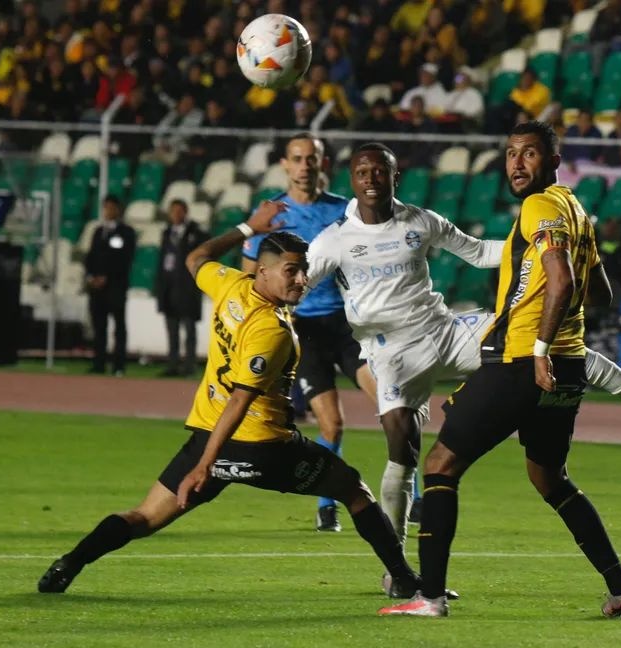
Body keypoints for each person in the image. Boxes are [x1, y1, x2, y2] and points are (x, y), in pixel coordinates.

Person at [301, 143, 621, 584]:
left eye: (380, 171)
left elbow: (478, 252)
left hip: (444, 330)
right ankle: (398, 571)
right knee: (401, 450)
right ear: (351, 180)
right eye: (362, 172)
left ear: (396, 178)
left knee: (527, 338)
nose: (371, 179)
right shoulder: (334, 239)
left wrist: (531, 248)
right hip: (391, 352)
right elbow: (298, 283)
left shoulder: (420, 220)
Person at [37, 216, 424, 599]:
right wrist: (206, 466)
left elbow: (196, 258)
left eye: (304, 271)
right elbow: (242, 400)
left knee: (144, 517)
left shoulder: (229, 285)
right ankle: (403, 578)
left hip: (208, 436)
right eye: (292, 271)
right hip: (262, 447)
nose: (302, 280)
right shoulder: (271, 330)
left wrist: (247, 228)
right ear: (263, 271)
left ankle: (71, 562)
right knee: (354, 490)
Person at [378, 121, 621, 619]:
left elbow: (563, 280)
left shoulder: (539, 207)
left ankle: (430, 596)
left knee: (440, 464)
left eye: (529, 154)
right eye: (510, 154)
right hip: (567, 366)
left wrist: (541, 344)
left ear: (553, 160)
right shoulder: (576, 210)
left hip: (527, 359)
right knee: (551, 480)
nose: (517, 163)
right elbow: (600, 293)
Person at [241, 132, 378, 533]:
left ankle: (417, 498)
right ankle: (326, 505)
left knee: (393, 405)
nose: (304, 166)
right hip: (305, 332)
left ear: (323, 164)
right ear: (285, 164)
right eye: (297, 158)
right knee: (332, 425)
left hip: (347, 326)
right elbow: (251, 281)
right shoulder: (271, 216)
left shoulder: (343, 211)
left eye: (311, 159)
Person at [84, 194, 136, 376]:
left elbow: (124, 259)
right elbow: (90, 256)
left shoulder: (126, 233)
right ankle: (98, 363)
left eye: (111, 207)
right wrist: (91, 276)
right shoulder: (98, 231)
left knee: (119, 327)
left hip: (115, 287)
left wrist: (106, 276)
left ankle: (119, 365)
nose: (108, 211)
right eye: (105, 207)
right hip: (97, 289)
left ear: (118, 210)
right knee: (99, 327)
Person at [156, 199, 208, 377]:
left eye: (179, 211)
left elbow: (205, 249)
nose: (176, 215)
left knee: (189, 329)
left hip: (187, 288)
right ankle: (172, 365)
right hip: (169, 287)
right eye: (173, 211)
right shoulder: (166, 233)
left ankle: (189, 366)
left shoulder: (195, 233)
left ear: (185, 212)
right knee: (172, 329)